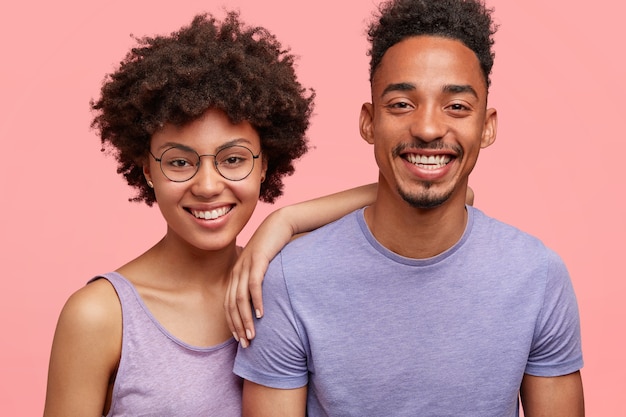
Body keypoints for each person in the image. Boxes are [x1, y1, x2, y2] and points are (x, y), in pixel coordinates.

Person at [232, 0, 585, 415]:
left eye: (456, 106)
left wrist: (287, 218)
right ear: (368, 122)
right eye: (402, 104)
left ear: (487, 127)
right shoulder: (291, 281)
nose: (429, 128)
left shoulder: (537, 276)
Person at [42, 12, 381, 417]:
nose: (206, 186)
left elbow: (451, 197)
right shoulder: (99, 316)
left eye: (233, 159)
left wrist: (283, 220)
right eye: (179, 162)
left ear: (264, 164)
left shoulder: (287, 276)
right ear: (147, 169)